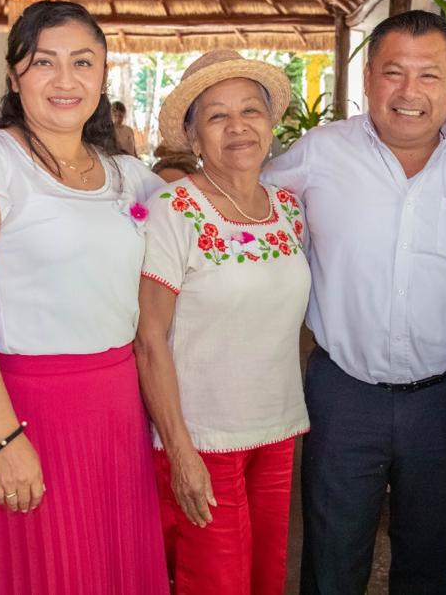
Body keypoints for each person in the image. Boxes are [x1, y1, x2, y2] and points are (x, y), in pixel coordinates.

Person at [263, 10, 446, 594]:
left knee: (428, 561)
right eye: (393, 73)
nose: (409, 92)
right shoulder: (318, 153)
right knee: (331, 556)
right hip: (342, 392)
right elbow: (244, 204)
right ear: (368, 79)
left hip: (445, 397)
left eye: (429, 75)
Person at [0, 0, 169, 594]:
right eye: (44, 62)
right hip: (26, 409)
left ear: (103, 74)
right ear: (14, 76)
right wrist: (5, 438)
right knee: (44, 572)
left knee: (110, 569)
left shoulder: (128, 176)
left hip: (115, 407)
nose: (65, 80)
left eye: (82, 62)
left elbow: (190, 233)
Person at [138, 50, 310, 595]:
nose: (237, 127)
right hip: (203, 437)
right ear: (193, 138)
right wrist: (181, 451)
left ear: (270, 123)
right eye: (216, 116)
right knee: (213, 581)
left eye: (250, 111)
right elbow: (149, 341)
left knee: (264, 577)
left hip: (277, 428)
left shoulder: (288, 209)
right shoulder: (172, 211)